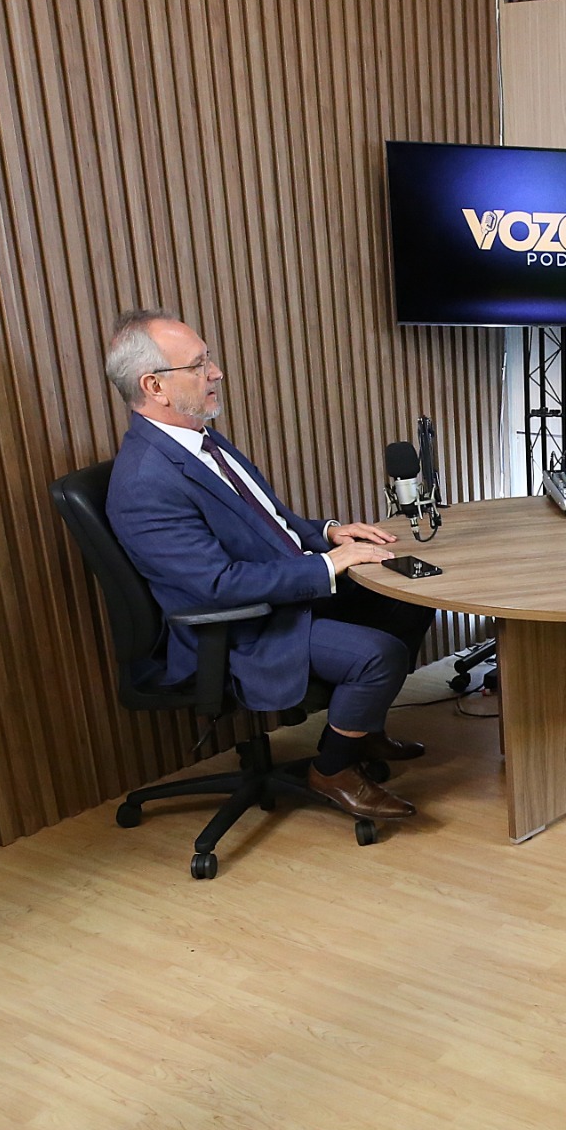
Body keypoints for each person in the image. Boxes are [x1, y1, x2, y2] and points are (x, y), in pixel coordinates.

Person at [101, 309, 430, 821]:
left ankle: (363, 732)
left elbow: (264, 519)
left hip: (277, 591)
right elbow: (216, 585)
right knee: (378, 654)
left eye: (208, 359)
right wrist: (326, 566)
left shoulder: (196, 436)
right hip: (240, 626)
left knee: (409, 590)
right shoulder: (145, 480)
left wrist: (325, 533)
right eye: (199, 364)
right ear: (155, 386)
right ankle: (333, 768)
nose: (216, 372)